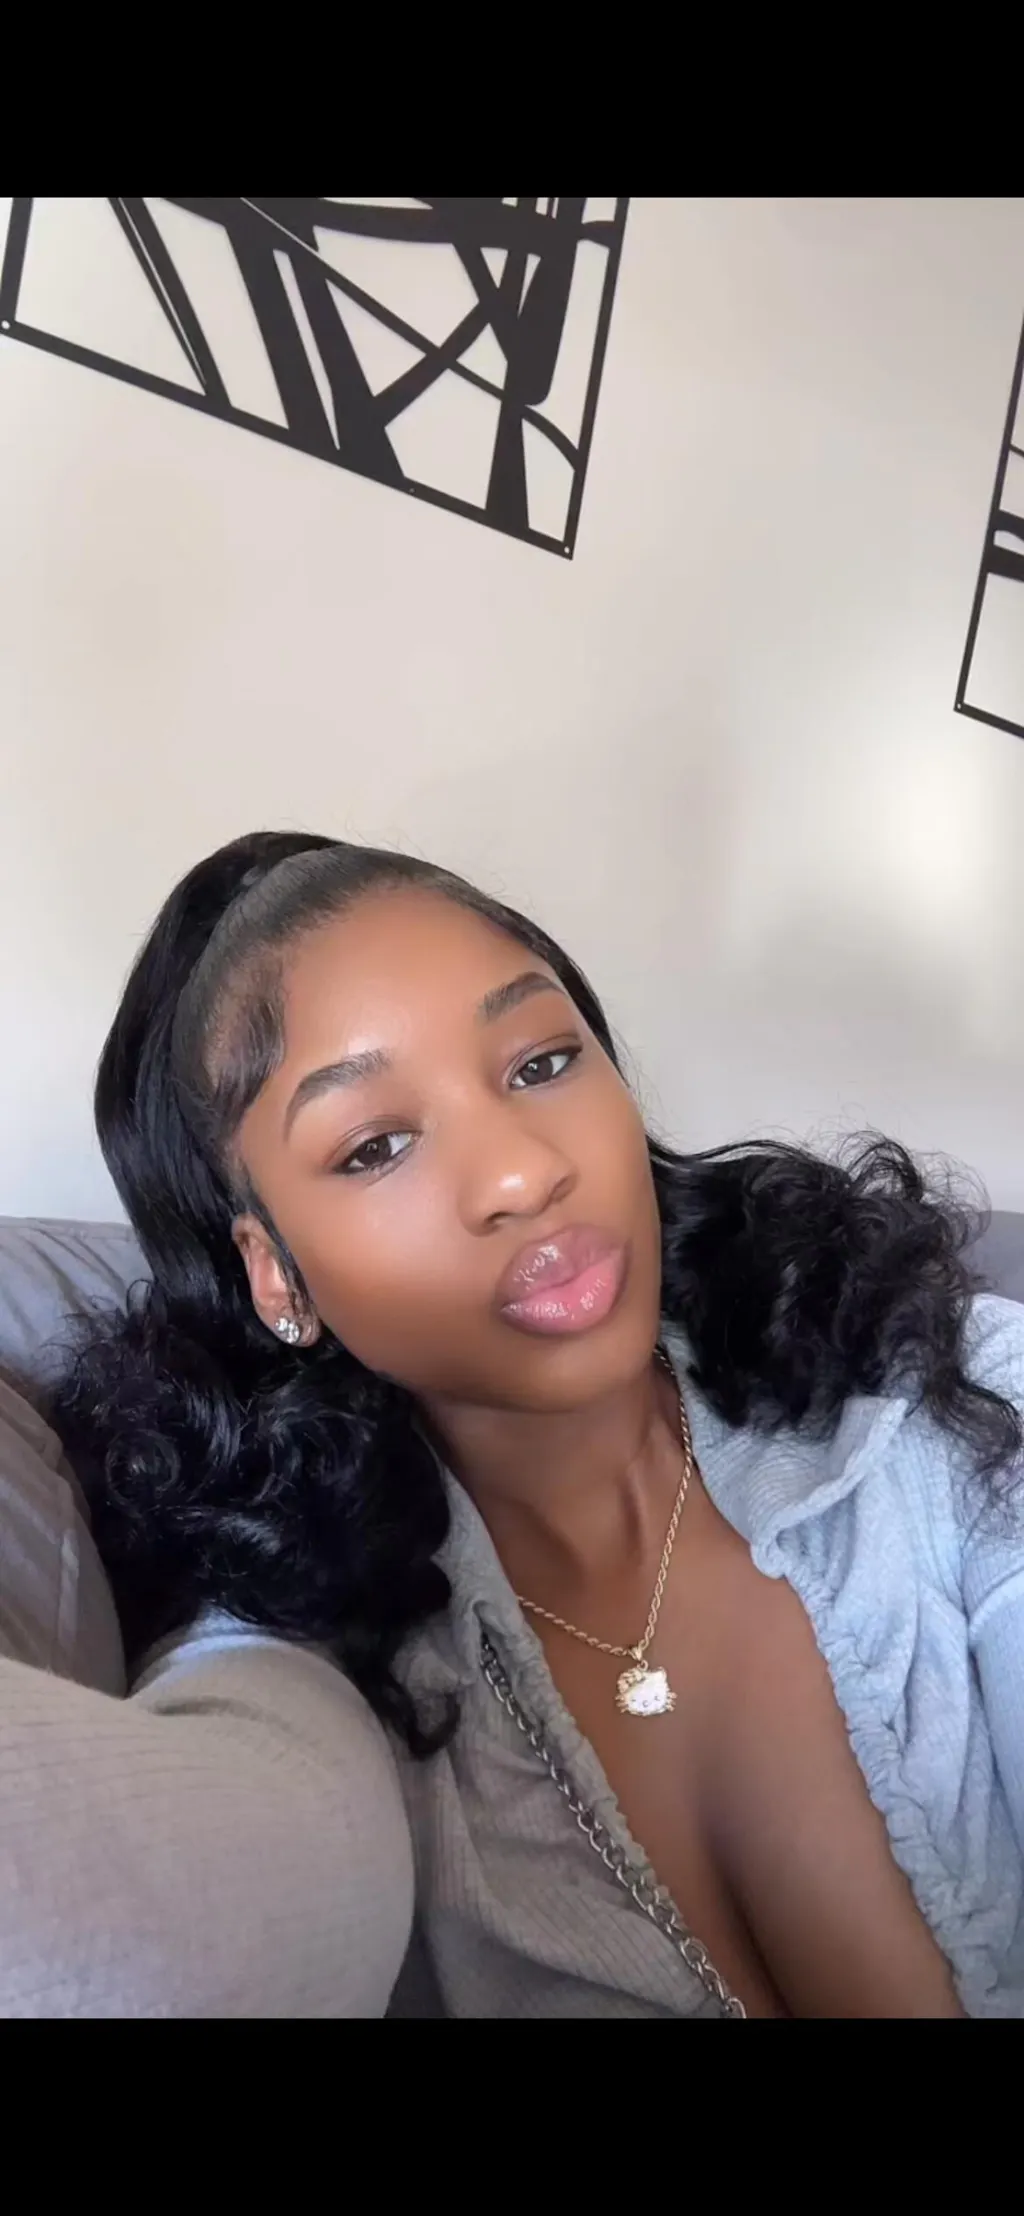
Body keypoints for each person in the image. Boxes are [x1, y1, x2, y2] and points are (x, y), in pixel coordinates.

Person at [46, 827, 1024, 2019]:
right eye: (376, 1145)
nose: (521, 1172)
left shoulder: (952, 1395)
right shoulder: (311, 1673)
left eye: (541, 1062)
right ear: (276, 1274)